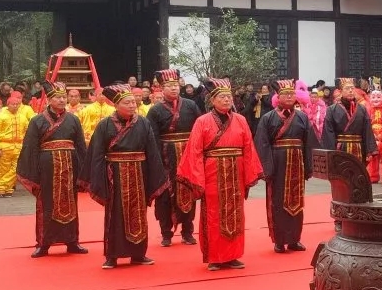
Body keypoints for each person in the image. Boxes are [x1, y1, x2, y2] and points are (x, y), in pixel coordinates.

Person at [177, 78, 262, 271]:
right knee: (213, 214)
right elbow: (195, 150)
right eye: (222, 97)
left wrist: (249, 174)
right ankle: (215, 257)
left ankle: (232, 256)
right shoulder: (202, 121)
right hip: (212, 172)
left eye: (228, 97)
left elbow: (248, 147)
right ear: (212, 100)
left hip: (236, 171)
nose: (226, 100)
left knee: (236, 214)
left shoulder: (240, 120)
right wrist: (198, 179)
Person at [86, 84, 167, 269]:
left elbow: (152, 152)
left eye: (133, 102)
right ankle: (112, 256)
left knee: (138, 213)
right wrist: (99, 180)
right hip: (114, 174)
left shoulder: (143, 123)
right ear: (116, 105)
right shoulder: (105, 124)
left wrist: (155, 177)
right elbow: (97, 154)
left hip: (139, 173)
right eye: (127, 102)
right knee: (114, 215)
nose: (132, 105)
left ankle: (138, 254)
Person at [17, 81, 90, 258]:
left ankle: (72, 241)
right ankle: (44, 243)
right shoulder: (37, 120)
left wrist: (84, 173)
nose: (62, 100)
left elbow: (80, 146)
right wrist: (33, 174)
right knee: (46, 204)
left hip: (70, 166)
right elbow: (30, 148)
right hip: (47, 168)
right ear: (49, 99)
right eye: (58, 97)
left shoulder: (73, 119)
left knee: (70, 203)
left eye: (64, 97)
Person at [255, 79, 316, 254]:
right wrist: (267, 168)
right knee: (277, 201)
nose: (289, 96)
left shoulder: (302, 117)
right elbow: (262, 143)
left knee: (296, 201)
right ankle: (279, 241)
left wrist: (309, 166)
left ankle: (295, 239)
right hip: (277, 162)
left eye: (292, 93)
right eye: (285, 94)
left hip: (297, 161)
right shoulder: (268, 117)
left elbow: (308, 143)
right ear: (277, 97)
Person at [147, 69, 202, 247]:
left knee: (188, 191)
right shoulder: (155, 111)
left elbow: (199, 129)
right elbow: (152, 138)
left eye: (175, 85)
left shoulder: (190, 105)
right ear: (161, 89)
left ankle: (187, 231)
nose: (174, 89)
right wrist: (157, 162)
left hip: (187, 155)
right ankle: (166, 233)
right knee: (164, 195)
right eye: (169, 86)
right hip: (165, 157)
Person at [322, 78, 376, 162]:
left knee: (358, 173)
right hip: (340, 149)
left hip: (358, 148)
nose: (350, 91)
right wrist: (331, 152)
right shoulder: (332, 109)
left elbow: (367, 129)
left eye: (352, 88)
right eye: (347, 88)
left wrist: (369, 150)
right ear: (340, 91)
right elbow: (328, 132)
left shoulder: (362, 109)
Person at [0, 94, 30, 197]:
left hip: (19, 147)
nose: (15, 106)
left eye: (17, 104)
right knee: (4, 170)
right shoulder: (0, 117)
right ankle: (6, 189)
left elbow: (27, 131)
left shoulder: (22, 117)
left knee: (16, 169)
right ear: (7, 104)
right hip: (4, 147)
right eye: (13, 104)